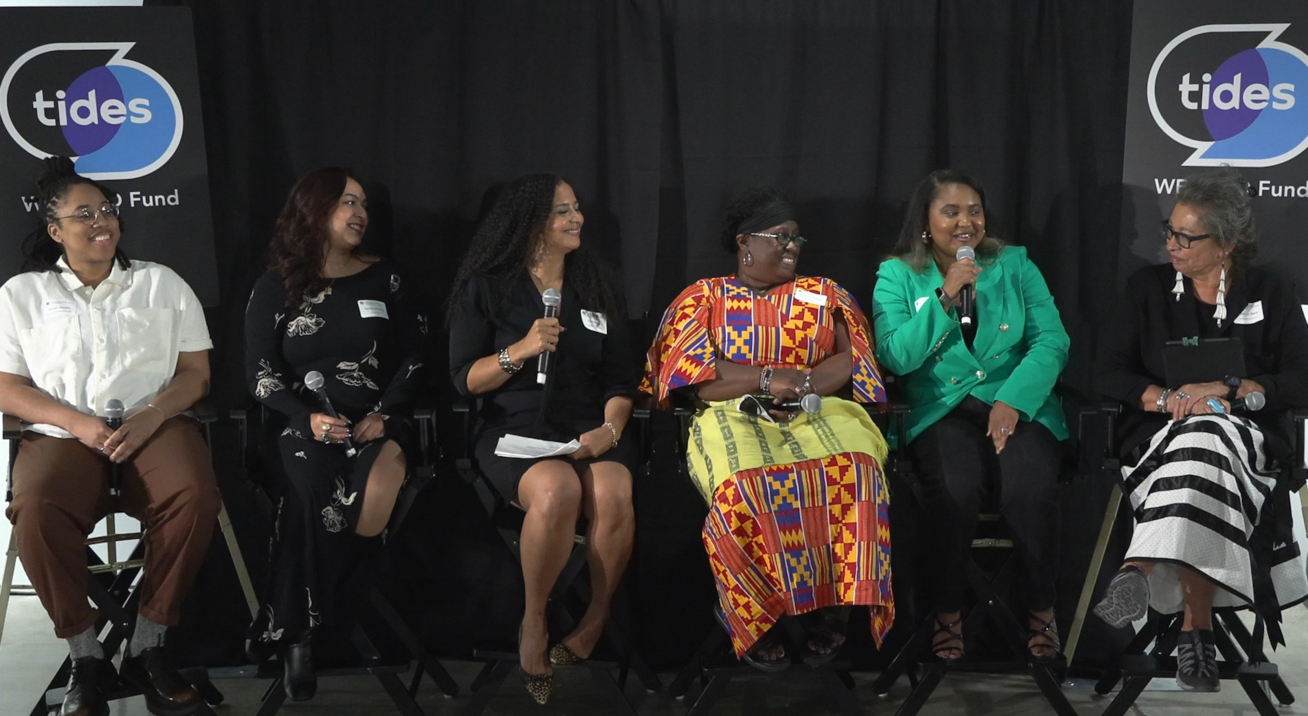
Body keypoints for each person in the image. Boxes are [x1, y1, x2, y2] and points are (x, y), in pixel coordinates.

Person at [0, 157, 219, 716]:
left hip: (154, 426)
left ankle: (148, 647)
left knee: (194, 496)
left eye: (107, 210)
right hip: (64, 432)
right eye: (84, 214)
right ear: (55, 231)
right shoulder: (21, 294)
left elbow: (197, 374)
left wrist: (151, 414)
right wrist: (77, 423)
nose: (102, 221)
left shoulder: (161, 282)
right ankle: (87, 658)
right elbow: (5, 384)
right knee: (35, 506)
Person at [644, 186, 894, 671]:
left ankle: (833, 603)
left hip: (820, 408)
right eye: (780, 237)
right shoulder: (704, 296)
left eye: (797, 239)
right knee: (745, 486)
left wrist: (802, 384)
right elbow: (691, 375)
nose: (792, 247)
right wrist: (765, 379)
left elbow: (853, 355)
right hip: (733, 412)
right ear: (745, 244)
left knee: (858, 471)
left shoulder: (824, 292)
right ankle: (753, 611)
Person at [1094, 167, 1308, 692]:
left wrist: (1228, 391)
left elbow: (1302, 377)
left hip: (1248, 444)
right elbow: (1106, 372)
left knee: (1209, 435)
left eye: (1187, 237)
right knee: (1198, 443)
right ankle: (1198, 632)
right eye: (1171, 231)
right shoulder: (1145, 290)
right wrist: (1168, 399)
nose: (1172, 244)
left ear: (1227, 243)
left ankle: (1138, 569)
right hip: (1158, 441)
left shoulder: (1271, 290)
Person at [448, 174, 636, 705]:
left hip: (590, 427)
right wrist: (523, 348)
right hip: (514, 429)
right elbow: (464, 378)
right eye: (562, 211)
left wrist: (611, 428)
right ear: (530, 223)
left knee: (614, 492)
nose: (576, 218)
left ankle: (597, 616)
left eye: (577, 208)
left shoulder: (597, 282)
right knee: (557, 491)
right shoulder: (487, 285)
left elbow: (622, 380)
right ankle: (534, 619)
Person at [871, 169, 1070, 663]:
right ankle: (946, 612)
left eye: (974, 210)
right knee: (955, 489)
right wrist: (944, 296)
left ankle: (1042, 610)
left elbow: (1051, 340)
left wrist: (1014, 400)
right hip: (942, 412)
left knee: (1029, 486)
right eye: (952, 211)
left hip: (1016, 406)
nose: (966, 222)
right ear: (925, 222)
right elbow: (894, 357)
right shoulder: (896, 275)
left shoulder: (1015, 265)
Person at [243, 167, 427, 700]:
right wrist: (306, 419)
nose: (360, 213)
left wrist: (388, 413)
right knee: (309, 493)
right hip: (305, 428)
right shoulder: (274, 286)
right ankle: (302, 639)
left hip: (380, 425)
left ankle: (286, 623)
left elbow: (417, 355)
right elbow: (258, 373)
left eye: (364, 203)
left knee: (370, 502)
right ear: (315, 210)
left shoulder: (385, 277)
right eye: (348, 202)